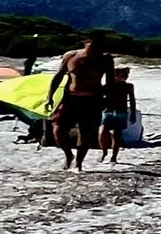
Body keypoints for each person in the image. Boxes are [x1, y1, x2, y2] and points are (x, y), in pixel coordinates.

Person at [48, 35, 116, 171]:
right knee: (58, 129)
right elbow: (58, 76)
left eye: (99, 49)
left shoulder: (105, 60)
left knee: (86, 132)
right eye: (93, 48)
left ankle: (78, 163)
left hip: (92, 100)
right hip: (70, 99)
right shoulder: (71, 56)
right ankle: (69, 155)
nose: (96, 51)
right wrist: (49, 96)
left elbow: (110, 82)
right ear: (85, 45)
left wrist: (108, 100)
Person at [99, 68, 136, 164]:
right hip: (108, 111)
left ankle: (114, 157)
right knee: (102, 133)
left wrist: (133, 113)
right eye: (123, 75)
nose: (125, 77)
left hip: (121, 112)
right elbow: (99, 99)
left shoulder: (128, 86)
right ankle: (104, 152)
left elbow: (132, 100)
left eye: (126, 75)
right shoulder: (107, 86)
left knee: (116, 134)